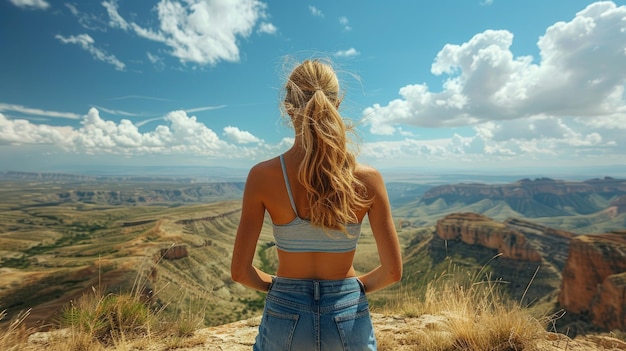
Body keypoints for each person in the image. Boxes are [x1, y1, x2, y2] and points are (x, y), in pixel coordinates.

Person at [231, 58, 402, 351]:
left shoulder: (262, 176)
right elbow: (392, 271)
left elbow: (241, 272)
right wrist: (353, 291)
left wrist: (281, 290)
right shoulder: (368, 179)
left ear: (287, 106)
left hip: (285, 311)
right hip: (347, 310)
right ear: (337, 103)